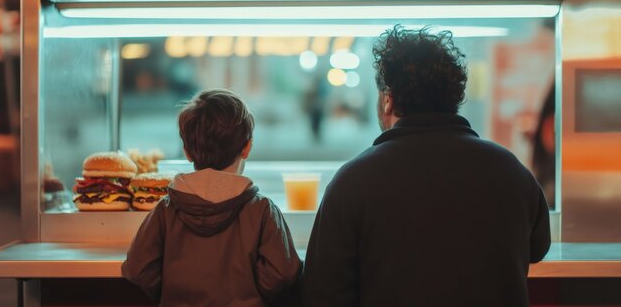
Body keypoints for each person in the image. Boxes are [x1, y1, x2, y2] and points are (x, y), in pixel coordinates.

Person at [302, 26, 551, 306]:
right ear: (453, 99)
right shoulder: (511, 172)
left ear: (387, 99)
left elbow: (321, 291)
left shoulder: (352, 181)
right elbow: (538, 247)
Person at [122, 88, 302, 306]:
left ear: (187, 152)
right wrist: (252, 290)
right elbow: (283, 272)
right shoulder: (262, 210)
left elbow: (137, 268)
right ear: (247, 148)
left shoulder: (166, 209)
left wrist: (171, 291)